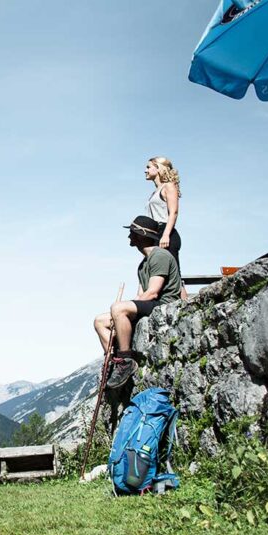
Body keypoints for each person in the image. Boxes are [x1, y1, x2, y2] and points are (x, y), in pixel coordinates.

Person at [94, 215, 182, 388]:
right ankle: (115, 361)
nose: (129, 237)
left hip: (164, 304)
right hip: (151, 303)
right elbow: (141, 294)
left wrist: (120, 310)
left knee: (118, 309)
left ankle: (126, 359)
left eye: (132, 233)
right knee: (100, 321)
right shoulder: (143, 264)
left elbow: (152, 292)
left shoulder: (160, 256)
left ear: (141, 234)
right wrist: (118, 314)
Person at [144, 156, 188, 301]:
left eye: (149, 167)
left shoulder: (169, 186)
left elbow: (173, 212)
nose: (145, 170)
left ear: (158, 168)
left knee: (174, 273)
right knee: (158, 271)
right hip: (155, 233)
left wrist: (166, 235)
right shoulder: (154, 193)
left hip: (165, 232)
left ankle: (186, 306)